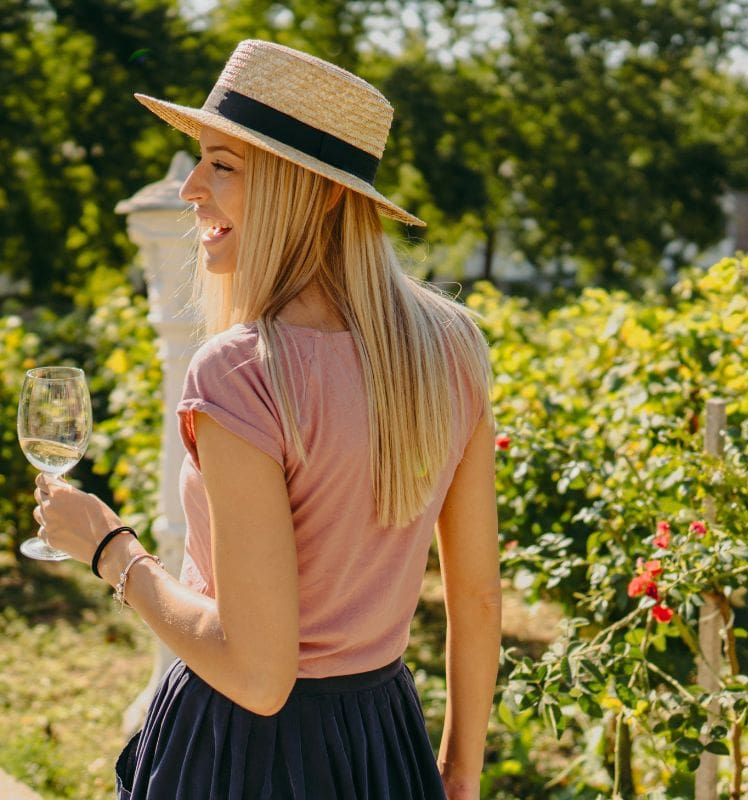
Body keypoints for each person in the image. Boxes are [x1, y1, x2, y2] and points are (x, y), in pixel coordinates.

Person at [31, 39, 500, 799]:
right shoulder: (451, 348)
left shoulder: (241, 373)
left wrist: (110, 550)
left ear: (311, 193)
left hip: (241, 757)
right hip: (383, 743)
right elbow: (477, 597)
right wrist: (458, 772)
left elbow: (257, 674)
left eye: (224, 165)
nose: (191, 190)